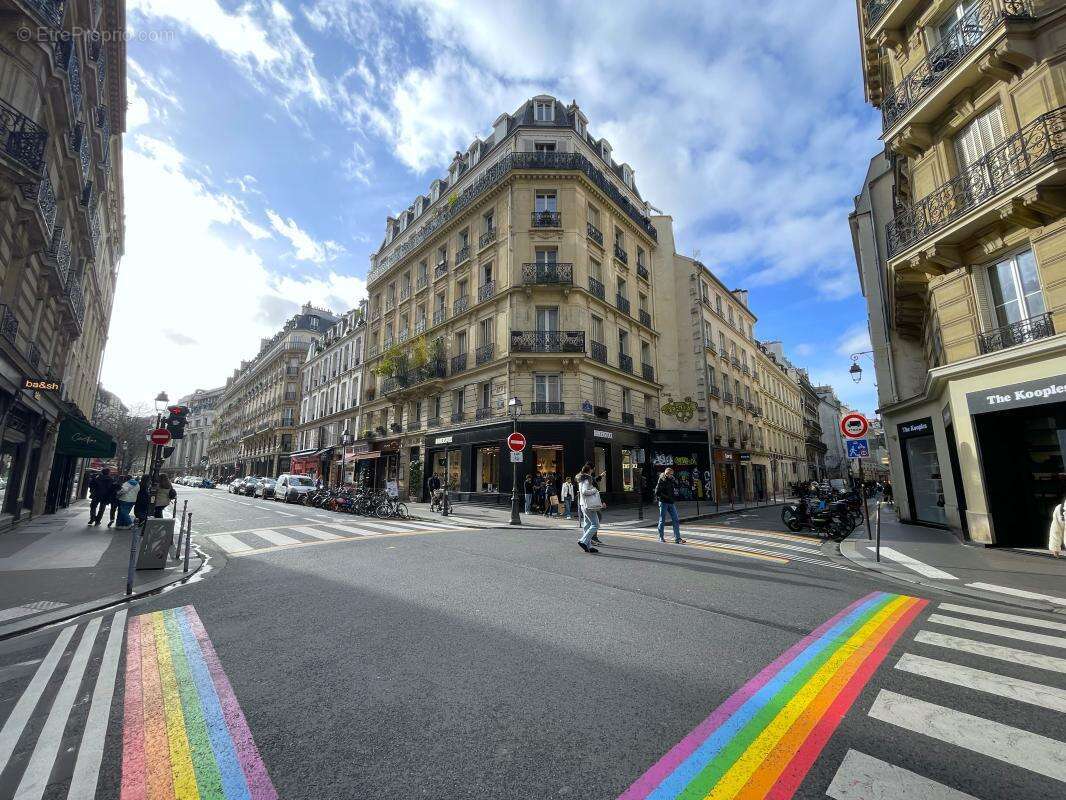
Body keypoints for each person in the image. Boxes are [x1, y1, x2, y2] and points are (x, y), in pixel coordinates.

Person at [576, 462, 605, 553]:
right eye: (592, 470)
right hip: (588, 505)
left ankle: (588, 546)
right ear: (589, 470)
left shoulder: (582, 479)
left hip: (583, 504)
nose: (593, 471)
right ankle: (583, 541)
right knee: (595, 524)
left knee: (587, 525)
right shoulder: (586, 480)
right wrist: (594, 490)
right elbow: (584, 491)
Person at [655, 467, 686, 544]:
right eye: (671, 475)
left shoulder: (671, 479)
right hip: (663, 502)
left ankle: (677, 538)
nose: (672, 476)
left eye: (672, 475)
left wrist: (674, 480)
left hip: (671, 502)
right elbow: (657, 492)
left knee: (675, 519)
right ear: (667, 474)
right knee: (662, 520)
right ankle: (661, 537)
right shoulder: (661, 480)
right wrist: (667, 497)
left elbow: (677, 485)